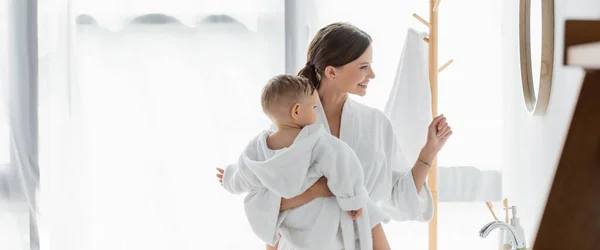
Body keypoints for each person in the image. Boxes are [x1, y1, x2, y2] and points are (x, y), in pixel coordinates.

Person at [240, 22, 453, 250]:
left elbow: (401, 195)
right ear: (331, 72)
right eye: (363, 67)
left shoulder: (376, 123)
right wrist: (318, 190)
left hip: (361, 240)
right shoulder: (288, 125)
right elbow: (265, 203)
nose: (372, 74)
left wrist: (429, 150)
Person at [216, 74, 390, 250]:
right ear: (297, 111)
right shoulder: (317, 142)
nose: (316, 112)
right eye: (314, 107)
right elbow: (342, 166)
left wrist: (228, 179)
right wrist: (351, 201)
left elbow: (243, 174)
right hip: (317, 226)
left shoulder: (258, 147)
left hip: (288, 225)